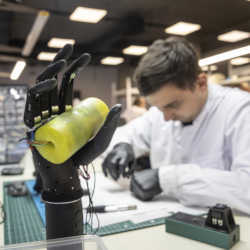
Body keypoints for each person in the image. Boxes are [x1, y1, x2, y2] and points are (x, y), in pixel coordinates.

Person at [102, 36, 250, 215]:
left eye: (172, 105)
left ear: (201, 83)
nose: (165, 117)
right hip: (163, 220)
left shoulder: (240, 111)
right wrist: (122, 145)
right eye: (157, 107)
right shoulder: (161, 113)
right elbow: (127, 133)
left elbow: (246, 189)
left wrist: (167, 179)